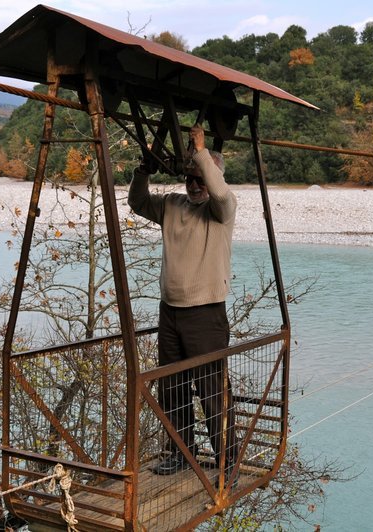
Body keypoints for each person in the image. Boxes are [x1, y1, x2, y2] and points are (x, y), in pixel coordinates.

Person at [128, 125, 238, 485]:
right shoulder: (172, 206)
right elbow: (137, 202)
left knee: (211, 390)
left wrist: (203, 154)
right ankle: (180, 452)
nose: (194, 186)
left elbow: (220, 195)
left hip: (206, 312)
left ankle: (228, 461)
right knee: (171, 387)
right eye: (189, 179)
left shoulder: (221, 211)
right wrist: (143, 170)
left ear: (212, 176)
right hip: (170, 311)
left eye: (200, 179)